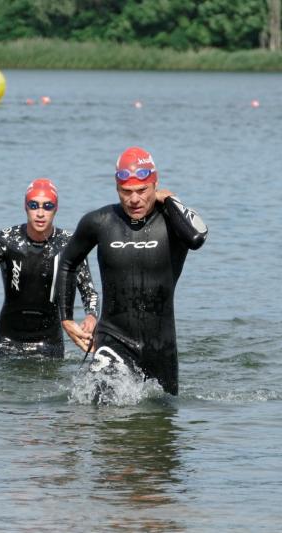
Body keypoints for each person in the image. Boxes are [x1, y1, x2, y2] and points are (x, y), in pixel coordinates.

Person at [55, 147, 207, 395]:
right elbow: (67, 263)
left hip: (162, 347)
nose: (134, 199)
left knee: (161, 414)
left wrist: (171, 201)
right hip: (113, 338)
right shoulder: (100, 221)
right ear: (117, 188)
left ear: (155, 184)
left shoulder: (173, 221)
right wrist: (66, 318)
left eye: (142, 190)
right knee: (104, 402)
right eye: (126, 191)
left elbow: (197, 237)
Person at [0, 178, 99, 358]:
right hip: (6, 340)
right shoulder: (6, 241)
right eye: (34, 205)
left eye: (47, 206)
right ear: (25, 207)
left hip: (49, 343)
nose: (40, 213)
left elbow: (89, 292)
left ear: (56, 208)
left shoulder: (69, 245)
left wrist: (91, 316)